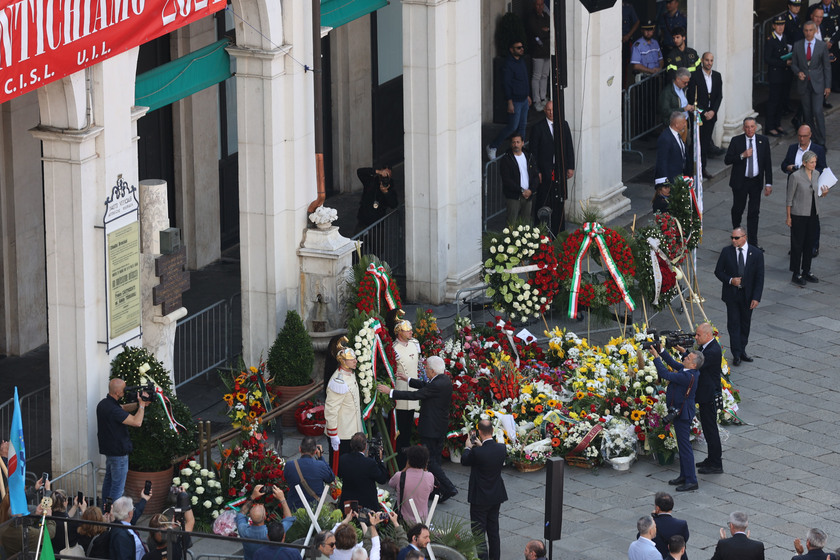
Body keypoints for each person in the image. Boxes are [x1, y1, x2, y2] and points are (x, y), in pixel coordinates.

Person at [378, 355, 458, 502]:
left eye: (426, 368)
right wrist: (407, 379)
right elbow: (425, 386)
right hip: (439, 426)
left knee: (430, 460)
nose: (425, 370)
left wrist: (390, 392)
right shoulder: (443, 380)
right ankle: (438, 488)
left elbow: (416, 395)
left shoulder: (437, 384)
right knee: (436, 458)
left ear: (433, 371)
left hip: (430, 428)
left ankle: (449, 487)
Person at [649, 347, 703, 492]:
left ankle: (691, 480)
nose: (685, 358)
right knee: (682, 445)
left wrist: (655, 357)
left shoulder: (686, 376)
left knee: (685, 448)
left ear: (693, 365)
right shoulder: (688, 371)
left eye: (688, 358)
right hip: (681, 411)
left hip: (682, 414)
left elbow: (664, 373)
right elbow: (672, 362)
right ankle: (684, 475)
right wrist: (660, 349)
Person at [714, 227, 765, 367]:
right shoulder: (726, 252)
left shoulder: (756, 253)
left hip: (748, 295)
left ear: (744, 237)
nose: (733, 240)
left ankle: (742, 350)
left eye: (736, 238)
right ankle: (736, 353)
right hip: (732, 295)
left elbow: (759, 278)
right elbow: (718, 271)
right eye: (732, 238)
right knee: (733, 324)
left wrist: (756, 297)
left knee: (745, 324)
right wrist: (731, 280)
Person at [97, 378, 151, 501]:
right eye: (123, 390)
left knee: (108, 484)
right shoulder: (113, 410)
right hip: (119, 454)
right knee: (117, 488)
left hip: (110, 452)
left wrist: (139, 404)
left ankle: (105, 512)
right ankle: (114, 517)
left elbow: (123, 408)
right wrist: (141, 406)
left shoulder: (104, 404)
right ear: (117, 393)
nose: (125, 392)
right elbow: (137, 422)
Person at [724, 117, 773, 250]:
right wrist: (742, 155)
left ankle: (753, 243)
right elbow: (727, 160)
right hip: (740, 182)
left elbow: (767, 163)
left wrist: (769, 183)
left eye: (752, 127)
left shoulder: (763, 141)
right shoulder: (736, 141)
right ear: (743, 128)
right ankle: (737, 237)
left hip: (756, 181)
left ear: (755, 127)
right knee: (738, 209)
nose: (750, 129)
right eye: (747, 127)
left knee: (754, 212)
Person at [462, 419, 507, 560]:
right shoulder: (502, 448)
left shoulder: (477, 453)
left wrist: (468, 447)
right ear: (492, 431)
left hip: (480, 498)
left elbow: (465, 460)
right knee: (494, 531)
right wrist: (481, 446)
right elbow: (488, 454)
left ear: (479, 432)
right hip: (495, 495)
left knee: (478, 533)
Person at [528, 100, 575, 234]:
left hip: (559, 169)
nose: (551, 112)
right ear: (544, 111)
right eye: (548, 110)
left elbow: (569, 147)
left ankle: (559, 229)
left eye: (553, 110)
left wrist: (570, 167)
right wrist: (536, 171)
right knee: (543, 198)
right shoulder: (538, 128)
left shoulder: (563, 125)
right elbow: (533, 152)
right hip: (545, 170)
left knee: (560, 198)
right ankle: (540, 229)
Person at [683, 323, 724, 475]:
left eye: (699, 335)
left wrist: (684, 354)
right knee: (707, 429)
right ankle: (711, 458)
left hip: (709, 396)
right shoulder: (706, 347)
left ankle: (716, 463)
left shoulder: (712, 350)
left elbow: (696, 364)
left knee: (711, 429)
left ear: (708, 335)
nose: (696, 337)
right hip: (705, 394)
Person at [782, 125, 827, 258]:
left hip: (810, 190)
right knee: (795, 219)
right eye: (800, 136)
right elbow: (784, 165)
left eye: (804, 136)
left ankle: (813, 246)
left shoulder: (818, 149)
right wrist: (789, 167)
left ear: (810, 135)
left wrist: (810, 171)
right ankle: (796, 246)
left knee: (813, 219)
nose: (801, 139)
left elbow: (822, 168)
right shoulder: (792, 148)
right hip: (795, 189)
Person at [786, 151, 829, 286]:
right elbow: (789, 199)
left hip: (813, 213)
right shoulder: (795, 176)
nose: (814, 164)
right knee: (797, 244)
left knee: (809, 243)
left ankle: (806, 270)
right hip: (798, 214)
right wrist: (788, 217)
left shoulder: (816, 174)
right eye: (811, 162)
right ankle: (795, 272)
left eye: (815, 162)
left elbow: (816, 193)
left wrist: (824, 194)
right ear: (804, 163)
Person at [486, 41, 531, 161]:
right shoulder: (508, 64)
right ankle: (493, 146)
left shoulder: (521, 61)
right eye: (518, 48)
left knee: (522, 126)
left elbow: (524, 79)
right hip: (515, 100)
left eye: (522, 47)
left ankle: (520, 151)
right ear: (512, 50)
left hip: (523, 99)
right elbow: (506, 84)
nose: (521, 49)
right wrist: (509, 101)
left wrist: (527, 95)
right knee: (512, 126)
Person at [791, 20, 832, 146]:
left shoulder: (821, 46)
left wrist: (827, 86)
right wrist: (798, 72)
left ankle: (822, 141)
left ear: (815, 31)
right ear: (803, 31)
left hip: (818, 84)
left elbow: (826, 67)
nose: (808, 33)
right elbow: (793, 64)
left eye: (810, 30)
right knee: (807, 114)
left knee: (817, 111)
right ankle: (812, 140)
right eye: (806, 30)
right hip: (804, 85)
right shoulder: (798, 45)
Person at [235, 485, 295, 560]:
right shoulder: (272, 532)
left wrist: (252, 497)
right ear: (265, 517)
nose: (261, 504)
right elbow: (288, 519)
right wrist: (282, 499)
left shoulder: (243, 530)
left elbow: (241, 513)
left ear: (249, 516)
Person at [325, 344, 363, 461]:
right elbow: (331, 409)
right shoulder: (338, 381)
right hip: (342, 434)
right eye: (352, 360)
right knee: (340, 466)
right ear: (343, 361)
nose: (355, 361)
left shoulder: (350, 373)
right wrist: (333, 434)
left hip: (351, 431)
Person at [392, 319, 421, 469]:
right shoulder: (394, 348)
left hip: (413, 392)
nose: (411, 332)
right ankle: (400, 464)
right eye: (407, 330)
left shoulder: (414, 344)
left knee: (408, 431)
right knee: (400, 433)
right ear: (399, 332)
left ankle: (407, 462)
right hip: (401, 393)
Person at [688, 52, 724, 173]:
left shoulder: (717, 76)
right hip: (699, 115)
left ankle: (702, 169)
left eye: (711, 60)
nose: (709, 63)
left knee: (706, 142)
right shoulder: (695, 76)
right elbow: (692, 97)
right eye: (707, 60)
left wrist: (713, 111)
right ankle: (691, 169)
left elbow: (719, 96)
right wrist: (703, 113)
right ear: (702, 60)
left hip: (711, 115)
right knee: (696, 143)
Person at [338, 432, 390, 511]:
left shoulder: (342, 459)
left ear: (351, 445)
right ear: (365, 446)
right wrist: (380, 460)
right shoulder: (369, 463)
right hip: (367, 506)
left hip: (347, 504)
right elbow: (382, 479)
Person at [284, 436, 335, 511]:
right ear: (315, 452)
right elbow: (330, 478)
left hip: (294, 508)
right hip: (315, 509)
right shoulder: (321, 465)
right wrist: (321, 457)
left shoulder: (289, 465)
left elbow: (287, 480)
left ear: (300, 449)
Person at [498, 133, 539, 225]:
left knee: (526, 224)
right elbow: (507, 179)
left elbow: (535, 176)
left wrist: (531, 190)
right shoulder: (506, 159)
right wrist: (521, 191)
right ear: (510, 144)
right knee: (511, 223)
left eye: (518, 142)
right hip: (514, 197)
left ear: (522, 143)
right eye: (513, 142)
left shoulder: (529, 156)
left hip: (528, 196)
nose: (515, 144)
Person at [389, 445, 434, 524]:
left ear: (408, 460)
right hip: (422, 521)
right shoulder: (429, 477)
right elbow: (430, 490)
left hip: (403, 520)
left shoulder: (399, 476)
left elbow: (391, 484)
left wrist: (405, 468)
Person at [765, 18, 794, 138]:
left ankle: (777, 123)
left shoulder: (784, 37)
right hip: (775, 75)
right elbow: (767, 59)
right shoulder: (771, 40)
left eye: (782, 24)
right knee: (774, 101)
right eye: (778, 25)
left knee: (781, 100)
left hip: (784, 75)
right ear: (773, 26)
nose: (780, 27)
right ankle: (770, 127)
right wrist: (783, 63)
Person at [525, 0, 550, 112]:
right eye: (537, 4)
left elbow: (550, 29)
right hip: (537, 51)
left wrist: (545, 30)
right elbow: (536, 32)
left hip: (546, 50)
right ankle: (536, 100)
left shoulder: (546, 15)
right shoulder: (531, 17)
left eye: (541, 4)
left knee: (545, 75)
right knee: (537, 76)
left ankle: (543, 97)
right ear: (534, 5)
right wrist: (544, 31)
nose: (540, 7)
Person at [356, 167, 398, 232]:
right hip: (363, 221)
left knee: (376, 241)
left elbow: (394, 204)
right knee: (358, 241)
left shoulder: (390, 188)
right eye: (384, 174)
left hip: (377, 225)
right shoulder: (370, 182)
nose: (385, 177)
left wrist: (386, 192)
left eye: (387, 175)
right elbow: (360, 171)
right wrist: (377, 171)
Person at [110, 492, 151, 560]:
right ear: (130, 513)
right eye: (133, 509)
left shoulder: (123, 522)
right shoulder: (121, 535)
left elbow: (137, 512)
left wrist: (144, 499)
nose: (134, 511)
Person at [651, 492, 690, 558]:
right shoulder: (681, 524)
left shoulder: (652, 524)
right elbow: (684, 539)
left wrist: (654, 517)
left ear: (657, 508)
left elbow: (642, 536)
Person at [654, 112, 688, 187]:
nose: (685, 125)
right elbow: (662, 162)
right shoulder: (665, 138)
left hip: (679, 178)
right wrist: (665, 184)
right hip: (671, 180)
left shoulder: (677, 135)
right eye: (683, 123)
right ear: (676, 124)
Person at [622, 2, 641, 86]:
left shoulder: (628, 7)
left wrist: (628, 35)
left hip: (624, 42)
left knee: (624, 69)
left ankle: (623, 91)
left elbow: (637, 22)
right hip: (613, 43)